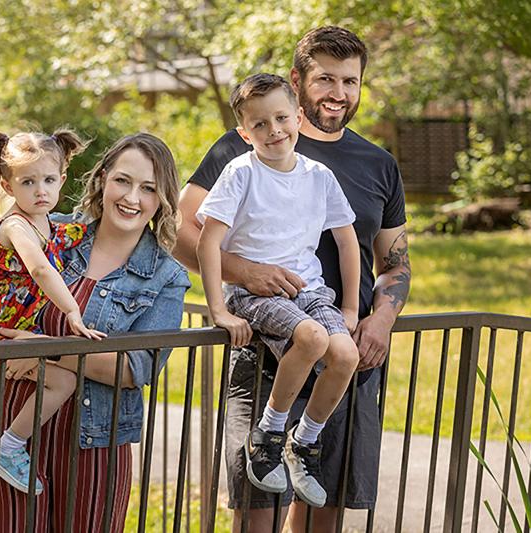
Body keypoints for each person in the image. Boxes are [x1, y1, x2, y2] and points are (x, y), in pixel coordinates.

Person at [175, 26, 411, 532]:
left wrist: (380, 320)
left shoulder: (379, 164)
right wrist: (246, 273)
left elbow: (394, 261)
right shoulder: (245, 147)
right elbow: (180, 229)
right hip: (265, 351)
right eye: (326, 78)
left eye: (350, 80)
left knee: (323, 516)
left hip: (345, 353)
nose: (338, 93)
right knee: (259, 516)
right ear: (297, 80)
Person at [0, 132, 191, 532]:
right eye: (122, 181)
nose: (132, 198)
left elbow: (135, 369)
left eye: (148, 188)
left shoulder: (166, 276)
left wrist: (45, 348)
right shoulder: (51, 232)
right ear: (102, 179)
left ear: (163, 199)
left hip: (93, 443)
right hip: (5, 424)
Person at [196, 72, 360, 508]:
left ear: (298, 116)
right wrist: (219, 310)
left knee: (346, 355)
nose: (274, 130)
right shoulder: (240, 173)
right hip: (254, 295)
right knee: (312, 338)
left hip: (309, 290)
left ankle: (303, 442)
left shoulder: (318, 175)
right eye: (260, 124)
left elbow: (346, 241)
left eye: (282, 118)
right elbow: (207, 242)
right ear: (244, 133)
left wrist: (350, 307)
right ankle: (267, 436)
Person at [0, 128, 106, 493]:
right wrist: (72, 311)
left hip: (12, 321)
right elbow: (39, 268)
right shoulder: (17, 225)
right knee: (63, 381)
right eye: (28, 182)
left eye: (49, 180)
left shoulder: (47, 220)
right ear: (8, 186)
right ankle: (7, 447)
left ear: (62, 179)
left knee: (52, 373)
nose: (40, 191)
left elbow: (81, 227)